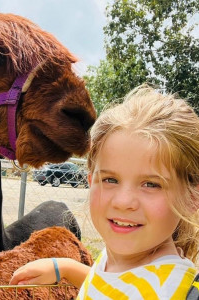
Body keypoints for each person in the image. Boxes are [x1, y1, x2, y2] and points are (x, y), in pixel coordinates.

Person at [10, 85, 199, 299]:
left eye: (151, 184)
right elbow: (111, 287)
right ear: (91, 181)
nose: (123, 201)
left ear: (192, 197)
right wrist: (65, 268)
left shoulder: (164, 292)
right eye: (110, 179)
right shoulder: (129, 262)